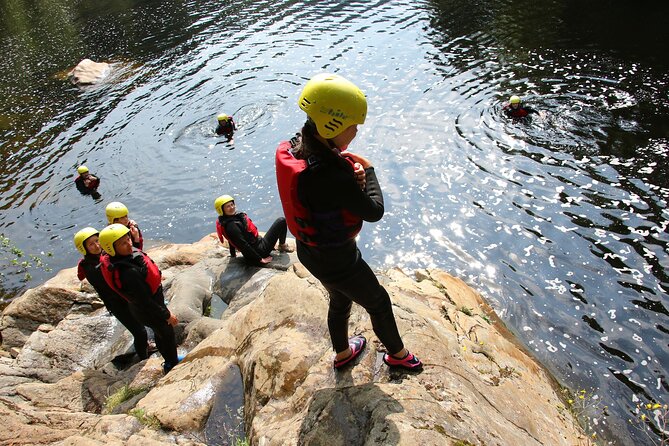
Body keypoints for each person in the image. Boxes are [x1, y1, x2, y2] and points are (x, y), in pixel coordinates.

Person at [275, 73, 423, 371]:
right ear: (333, 124)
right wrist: (367, 171)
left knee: (340, 299)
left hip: (309, 251)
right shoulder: (332, 174)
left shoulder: (296, 146)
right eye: (353, 125)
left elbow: (321, 192)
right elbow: (374, 211)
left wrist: (347, 177)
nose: (356, 131)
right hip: (339, 259)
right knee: (378, 301)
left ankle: (343, 354)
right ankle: (399, 355)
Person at [98, 224, 181, 374]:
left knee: (161, 333)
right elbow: (145, 302)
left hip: (146, 306)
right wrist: (167, 315)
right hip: (147, 310)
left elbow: (135, 252)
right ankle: (171, 364)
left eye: (127, 238)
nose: (129, 244)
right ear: (111, 249)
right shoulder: (128, 273)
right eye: (123, 243)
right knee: (166, 334)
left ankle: (169, 359)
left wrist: (136, 238)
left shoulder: (122, 257)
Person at [74, 227, 151, 359]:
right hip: (118, 304)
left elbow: (129, 258)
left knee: (142, 325)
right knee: (140, 332)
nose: (97, 245)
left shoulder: (104, 256)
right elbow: (121, 270)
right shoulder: (91, 268)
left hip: (125, 299)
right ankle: (143, 357)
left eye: (97, 241)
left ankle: (146, 347)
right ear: (84, 248)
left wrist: (135, 240)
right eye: (91, 244)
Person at [214, 194, 293, 266]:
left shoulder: (228, 220)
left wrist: (233, 255)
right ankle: (282, 246)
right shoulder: (231, 226)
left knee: (280, 222)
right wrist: (260, 259)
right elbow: (243, 245)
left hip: (257, 246)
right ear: (221, 210)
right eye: (228, 206)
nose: (232, 207)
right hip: (260, 251)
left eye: (232, 204)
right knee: (281, 221)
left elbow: (231, 240)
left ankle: (280, 246)